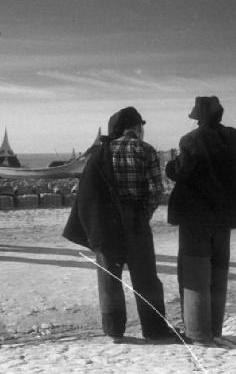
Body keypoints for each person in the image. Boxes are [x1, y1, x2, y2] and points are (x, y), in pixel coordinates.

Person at [165, 89, 236, 344]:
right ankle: (214, 329)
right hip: (226, 219)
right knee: (218, 273)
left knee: (195, 275)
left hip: (196, 221)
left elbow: (180, 172)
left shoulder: (191, 140)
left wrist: (170, 166)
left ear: (198, 119)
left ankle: (197, 333)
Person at [64, 106, 171, 343]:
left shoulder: (100, 154)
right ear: (135, 128)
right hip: (136, 221)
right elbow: (156, 190)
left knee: (109, 278)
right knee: (146, 278)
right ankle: (154, 330)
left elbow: (86, 192)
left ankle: (114, 330)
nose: (143, 130)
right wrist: (143, 215)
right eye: (141, 126)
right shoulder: (146, 150)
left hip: (106, 222)